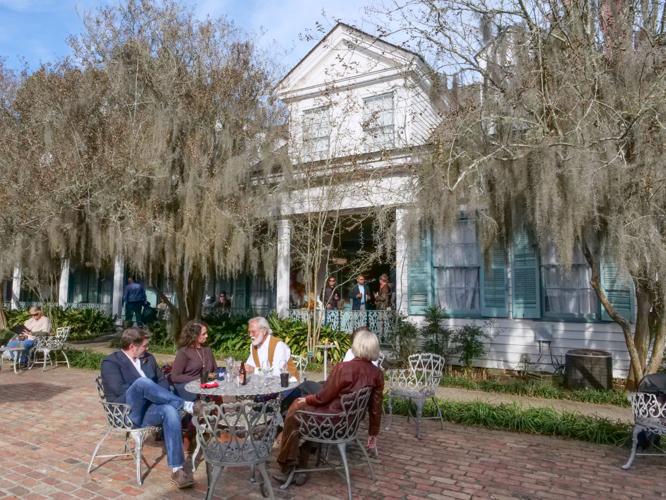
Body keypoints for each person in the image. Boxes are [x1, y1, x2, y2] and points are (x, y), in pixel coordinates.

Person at [274, 328, 384, 485]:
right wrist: (373, 433)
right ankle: (298, 470)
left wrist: (307, 400)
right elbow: (376, 407)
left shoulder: (343, 368)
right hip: (348, 426)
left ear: (356, 346)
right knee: (299, 414)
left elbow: (323, 397)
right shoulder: (377, 374)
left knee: (295, 413)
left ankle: (289, 467)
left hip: (330, 422)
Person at [100, 328, 200, 489]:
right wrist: (148, 392)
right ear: (133, 346)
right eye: (145, 345)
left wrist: (157, 396)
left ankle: (177, 469)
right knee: (142, 383)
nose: (147, 348)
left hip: (149, 411)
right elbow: (119, 391)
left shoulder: (148, 359)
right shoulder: (111, 362)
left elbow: (162, 382)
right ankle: (186, 405)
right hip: (126, 412)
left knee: (170, 411)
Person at [171, 321, 217, 402]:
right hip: (188, 387)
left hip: (206, 385)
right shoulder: (184, 352)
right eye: (203, 334)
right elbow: (175, 377)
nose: (207, 336)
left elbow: (215, 369)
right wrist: (200, 378)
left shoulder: (207, 349)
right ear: (194, 336)